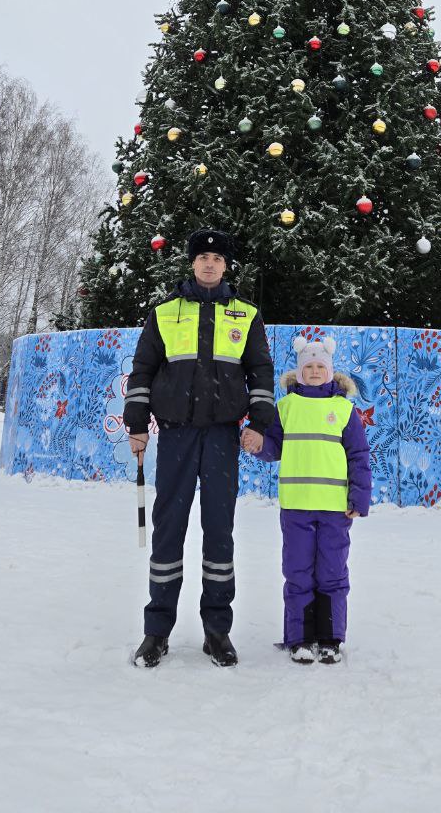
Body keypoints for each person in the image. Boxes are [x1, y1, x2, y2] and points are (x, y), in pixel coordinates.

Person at [124, 228, 273, 668]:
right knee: (168, 530)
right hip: (175, 436)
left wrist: (260, 423)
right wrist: (137, 423)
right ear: (192, 263)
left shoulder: (245, 315)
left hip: (223, 437)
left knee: (219, 532)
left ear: (227, 266)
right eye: (203, 257)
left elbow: (260, 371)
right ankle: (157, 631)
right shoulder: (164, 313)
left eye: (218, 258)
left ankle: (217, 631)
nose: (210, 263)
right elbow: (143, 369)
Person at [242, 334, 371, 663]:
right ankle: (298, 638)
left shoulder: (344, 410)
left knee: (331, 573)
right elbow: (274, 447)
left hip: (334, 508)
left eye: (320, 366)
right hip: (296, 505)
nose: (314, 371)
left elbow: (359, 456)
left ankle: (330, 638)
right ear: (299, 373)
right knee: (298, 571)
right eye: (308, 366)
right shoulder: (285, 407)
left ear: (331, 371)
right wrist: (258, 446)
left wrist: (359, 497)